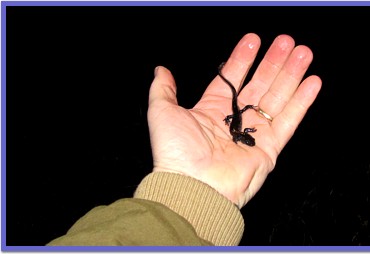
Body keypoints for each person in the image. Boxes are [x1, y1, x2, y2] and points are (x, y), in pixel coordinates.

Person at [47, 33, 322, 246]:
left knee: (238, 106)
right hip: (233, 120)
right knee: (237, 105)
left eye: (246, 139)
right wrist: (233, 125)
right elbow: (239, 129)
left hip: (234, 121)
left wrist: (239, 129)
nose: (246, 139)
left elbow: (241, 131)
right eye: (247, 139)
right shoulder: (238, 134)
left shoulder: (240, 135)